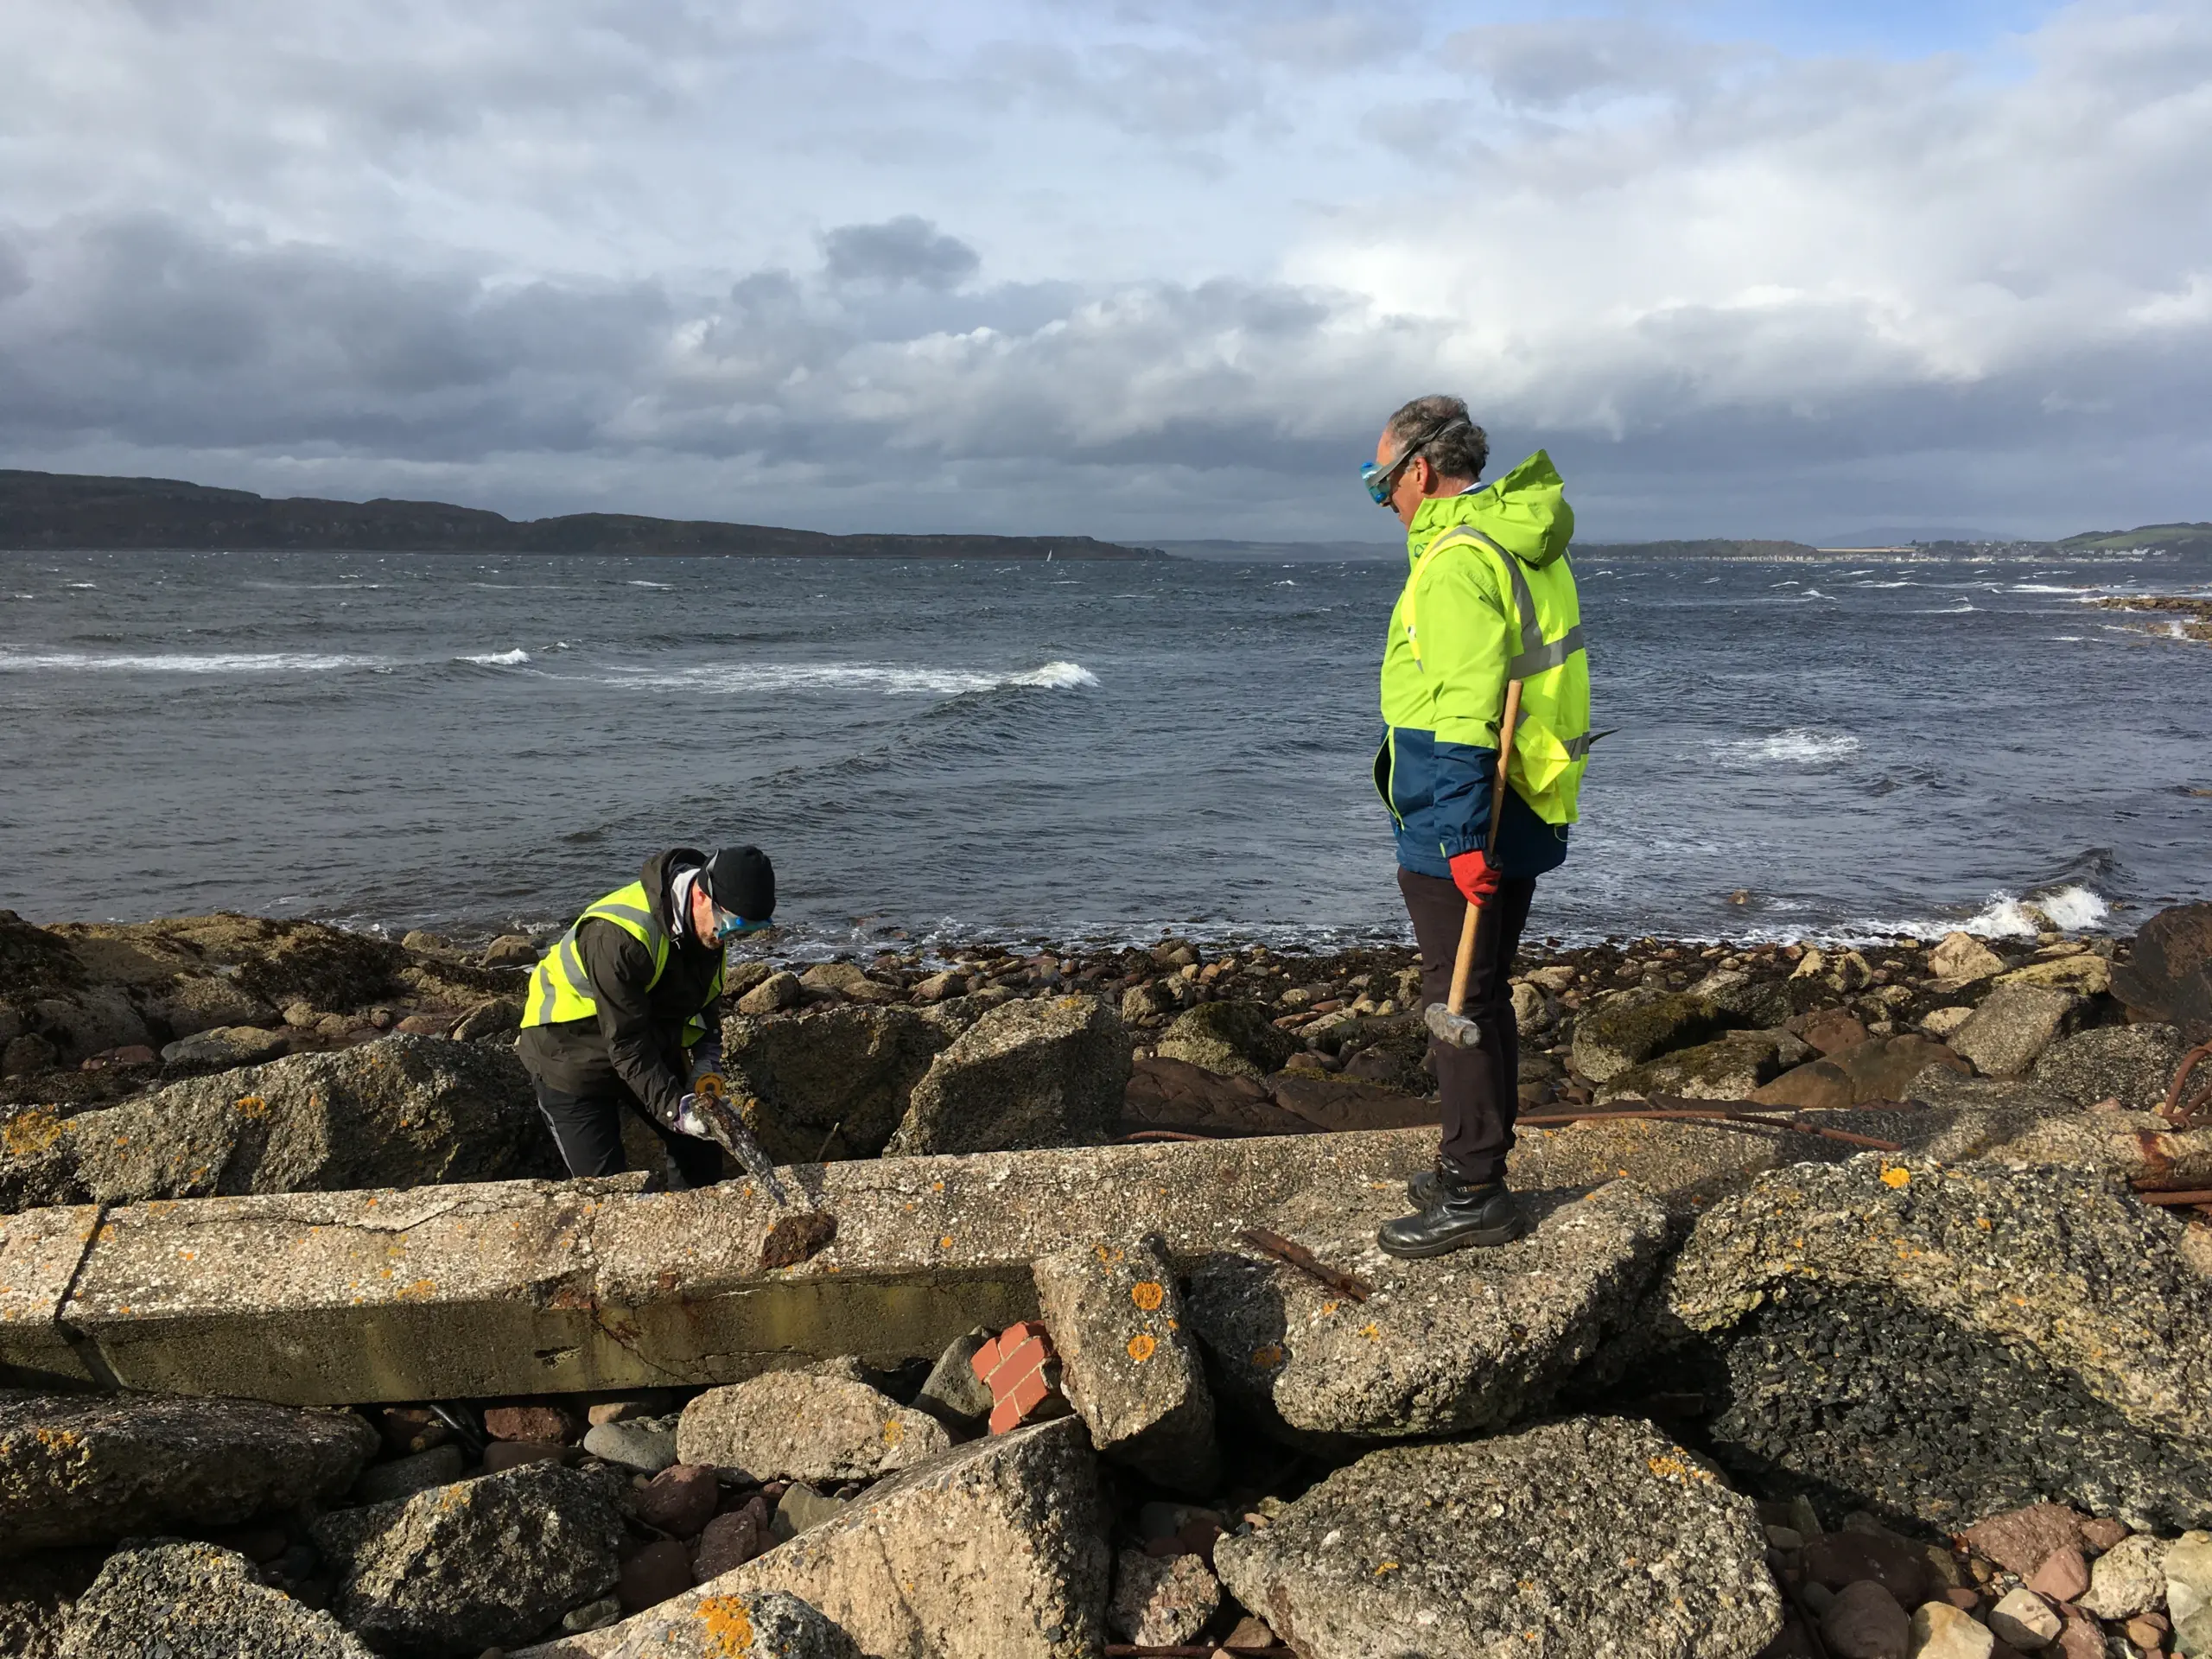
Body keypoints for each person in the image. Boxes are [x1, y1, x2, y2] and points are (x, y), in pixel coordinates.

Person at [1363, 395, 1592, 1257]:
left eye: (1380, 482)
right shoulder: (1518, 538)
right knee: (1483, 986)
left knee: (1452, 998)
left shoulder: (1457, 559)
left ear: (1418, 471)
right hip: (1523, 787)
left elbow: (1464, 705)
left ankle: (1473, 1191)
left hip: (1466, 804)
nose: (1384, 500)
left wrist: (1458, 839)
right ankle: (1474, 1160)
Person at [517, 844, 775, 1187]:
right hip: (569, 1053)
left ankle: (689, 1233)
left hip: (645, 1039)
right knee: (606, 1192)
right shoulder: (619, 936)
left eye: (746, 932)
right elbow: (626, 1042)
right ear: (701, 895)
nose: (732, 938)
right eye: (732, 926)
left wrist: (707, 1056)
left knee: (702, 1155)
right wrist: (676, 1111)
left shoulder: (708, 931)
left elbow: (705, 1001)